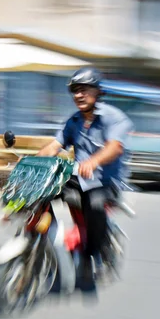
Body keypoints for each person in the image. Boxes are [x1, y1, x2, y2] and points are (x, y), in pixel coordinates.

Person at [37, 67, 134, 283]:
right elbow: (54, 146)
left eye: (84, 89)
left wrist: (94, 161)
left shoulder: (114, 118)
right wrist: (31, 162)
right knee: (41, 190)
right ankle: (41, 238)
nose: (79, 95)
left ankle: (92, 256)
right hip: (79, 179)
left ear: (97, 91)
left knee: (95, 203)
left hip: (106, 183)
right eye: (75, 90)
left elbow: (115, 147)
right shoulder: (74, 122)